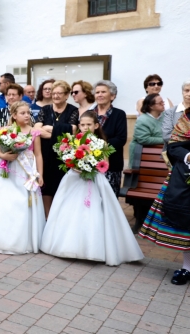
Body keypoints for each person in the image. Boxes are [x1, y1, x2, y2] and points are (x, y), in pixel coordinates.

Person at [41, 111, 144, 266]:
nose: (85, 127)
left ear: (96, 125)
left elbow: (105, 164)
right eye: (82, 124)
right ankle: (67, 244)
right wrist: (74, 165)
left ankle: (93, 247)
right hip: (74, 179)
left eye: (89, 124)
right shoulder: (73, 141)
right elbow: (67, 159)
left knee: (94, 209)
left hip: (94, 179)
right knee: (70, 208)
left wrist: (91, 165)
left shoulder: (101, 143)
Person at [0, 101, 45, 254]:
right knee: (4, 201)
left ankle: (23, 239)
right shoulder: (5, 130)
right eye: (22, 113)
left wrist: (40, 174)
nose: (26, 116)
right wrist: (4, 155)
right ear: (14, 115)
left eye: (28, 113)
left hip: (27, 170)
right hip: (8, 169)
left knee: (24, 201)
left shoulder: (34, 132)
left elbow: (38, 154)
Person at [139, 106, 190, 285]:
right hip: (186, 177)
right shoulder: (187, 117)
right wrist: (188, 155)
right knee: (187, 224)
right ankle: (187, 268)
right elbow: (174, 146)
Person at [34, 80, 78, 217]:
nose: (56, 96)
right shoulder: (45, 110)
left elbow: (72, 131)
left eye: (59, 93)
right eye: (54, 93)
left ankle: (59, 216)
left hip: (63, 154)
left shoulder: (73, 110)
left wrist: (48, 129)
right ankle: (47, 215)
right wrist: (58, 132)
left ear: (66, 95)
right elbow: (36, 130)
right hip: (45, 152)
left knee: (61, 185)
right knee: (46, 186)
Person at [93, 80, 127, 197]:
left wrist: (98, 146)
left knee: (109, 198)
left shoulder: (119, 114)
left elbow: (121, 139)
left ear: (112, 96)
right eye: (97, 92)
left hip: (112, 164)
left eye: (103, 92)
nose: (100, 95)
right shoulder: (89, 114)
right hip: (90, 163)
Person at [128, 93, 165, 163]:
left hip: (161, 153)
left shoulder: (165, 116)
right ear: (151, 106)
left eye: (163, 102)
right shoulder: (142, 120)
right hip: (143, 155)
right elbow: (144, 139)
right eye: (160, 103)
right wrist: (165, 139)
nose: (163, 104)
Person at [162, 80, 190, 144]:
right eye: (187, 90)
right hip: (174, 151)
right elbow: (166, 136)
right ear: (182, 92)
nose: (189, 94)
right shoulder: (170, 112)